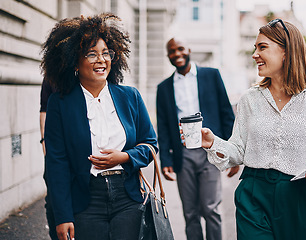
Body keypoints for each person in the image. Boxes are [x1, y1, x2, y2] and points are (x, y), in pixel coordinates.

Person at [200, 19, 306, 240]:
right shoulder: (250, 98)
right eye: (255, 48)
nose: (255, 55)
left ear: (287, 51)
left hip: (300, 196)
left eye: (262, 47)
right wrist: (213, 143)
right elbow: (239, 150)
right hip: (253, 195)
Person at [41, 13, 157, 240]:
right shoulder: (60, 104)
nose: (101, 60)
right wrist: (62, 216)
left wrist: (124, 157)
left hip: (127, 197)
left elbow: (151, 144)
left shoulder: (130, 96)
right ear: (75, 60)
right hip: (85, 200)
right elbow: (56, 163)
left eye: (106, 53)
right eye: (91, 54)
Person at [156, 37, 239, 240]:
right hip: (182, 156)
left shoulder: (211, 75)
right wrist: (165, 160)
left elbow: (227, 114)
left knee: (211, 209)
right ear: (168, 55)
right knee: (190, 213)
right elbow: (164, 126)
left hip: (210, 151)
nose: (177, 54)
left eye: (180, 49)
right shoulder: (164, 87)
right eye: (172, 51)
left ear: (189, 49)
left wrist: (232, 153)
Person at [39, 77, 57, 240]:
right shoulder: (52, 76)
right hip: (54, 145)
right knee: (52, 199)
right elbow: (43, 109)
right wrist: (44, 141)